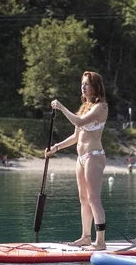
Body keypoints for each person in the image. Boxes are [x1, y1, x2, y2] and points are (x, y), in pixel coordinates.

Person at [45, 71, 109, 250]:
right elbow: (76, 136)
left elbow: (80, 123)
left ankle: (100, 242)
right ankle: (86, 237)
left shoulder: (101, 107)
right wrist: (56, 147)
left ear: (95, 86)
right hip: (81, 158)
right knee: (83, 198)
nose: (83, 87)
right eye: (82, 83)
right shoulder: (85, 106)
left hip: (94, 156)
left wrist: (61, 108)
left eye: (87, 84)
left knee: (94, 198)